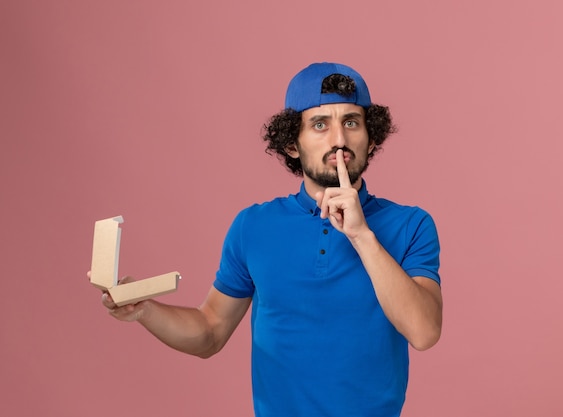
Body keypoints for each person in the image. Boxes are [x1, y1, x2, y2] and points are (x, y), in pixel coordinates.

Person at [99, 62, 443, 417]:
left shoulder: (410, 225)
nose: (339, 140)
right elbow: (210, 333)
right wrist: (145, 311)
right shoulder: (254, 226)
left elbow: (424, 332)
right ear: (292, 144)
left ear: (371, 139)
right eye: (320, 125)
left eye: (352, 122)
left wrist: (361, 235)